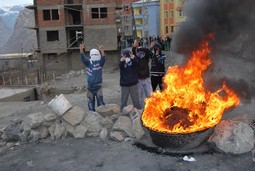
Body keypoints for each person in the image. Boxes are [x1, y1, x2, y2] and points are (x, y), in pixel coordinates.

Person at [79, 42, 105, 111]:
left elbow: (103, 58)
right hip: (90, 87)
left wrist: (102, 50)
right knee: (91, 104)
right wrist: (81, 50)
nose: (95, 56)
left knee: (101, 105)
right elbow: (83, 58)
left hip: (98, 86)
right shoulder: (88, 63)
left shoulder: (100, 63)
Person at [132, 39, 153, 108]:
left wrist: (148, 48)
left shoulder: (145, 53)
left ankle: (151, 109)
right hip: (138, 79)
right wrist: (135, 47)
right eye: (135, 42)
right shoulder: (134, 54)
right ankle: (141, 110)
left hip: (146, 78)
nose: (136, 43)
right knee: (139, 97)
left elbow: (150, 53)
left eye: (137, 42)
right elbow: (133, 51)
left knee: (150, 95)